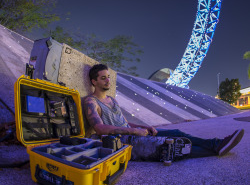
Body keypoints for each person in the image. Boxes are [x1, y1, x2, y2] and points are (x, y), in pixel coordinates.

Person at [83, 64, 244, 161]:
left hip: (134, 133)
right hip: (122, 142)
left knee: (176, 132)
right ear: (94, 81)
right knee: (170, 148)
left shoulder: (112, 99)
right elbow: (100, 129)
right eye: (103, 78)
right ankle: (217, 148)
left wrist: (143, 127)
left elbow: (125, 122)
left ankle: (216, 144)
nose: (108, 81)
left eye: (109, 77)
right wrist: (134, 131)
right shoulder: (91, 102)